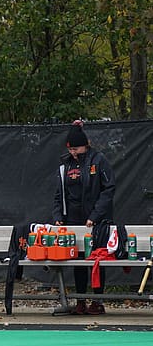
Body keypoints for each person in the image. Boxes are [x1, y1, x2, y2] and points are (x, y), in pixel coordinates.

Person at [52, 120, 116, 315]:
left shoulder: (99, 160)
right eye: (71, 149)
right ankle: (80, 300)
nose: (74, 152)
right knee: (78, 261)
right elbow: (58, 195)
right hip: (72, 221)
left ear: (86, 145)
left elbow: (108, 189)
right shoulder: (65, 165)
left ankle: (98, 301)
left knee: (96, 260)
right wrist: (58, 216)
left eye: (77, 148)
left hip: (96, 222)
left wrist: (95, 216)